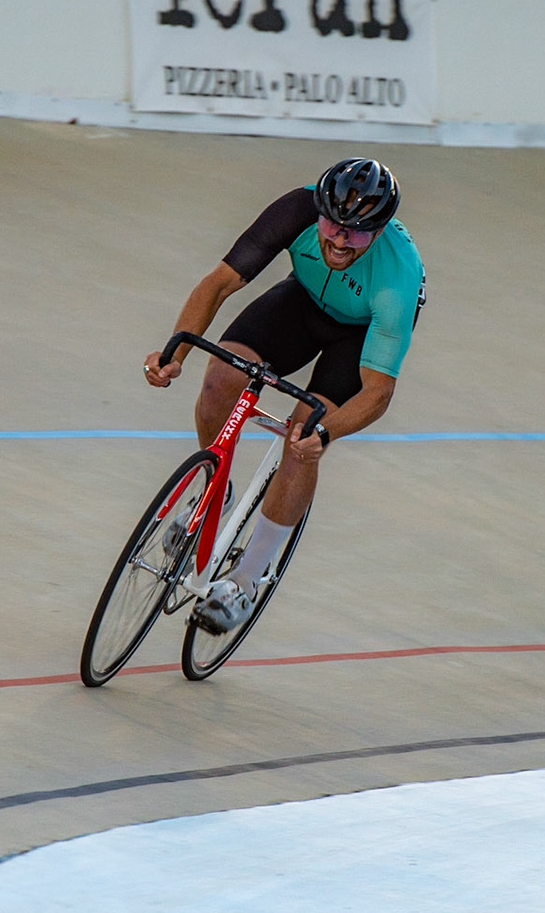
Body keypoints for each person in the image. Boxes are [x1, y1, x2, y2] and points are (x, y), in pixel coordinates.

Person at [142, 157, 425, 634]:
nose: (340, 240)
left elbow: (378, 392)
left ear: (378, 233)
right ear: (319, 212)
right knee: (220, 379)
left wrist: (325, 434)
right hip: (301, 302)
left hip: (357, 338)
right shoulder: (296, 209)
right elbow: (220, 282)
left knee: (301, 439)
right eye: (332, 226)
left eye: (357, 234)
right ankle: (215, 491)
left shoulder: (398, 275)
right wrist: (176, 350)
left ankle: (246, 580)